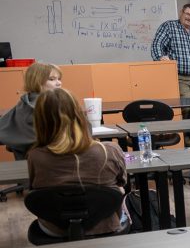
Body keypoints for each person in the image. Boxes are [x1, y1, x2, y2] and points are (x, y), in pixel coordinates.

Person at [26, 88, 128, 237]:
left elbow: (36, 189)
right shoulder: (109, 151)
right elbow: (122, 183)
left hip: (54, 228)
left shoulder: (35, 156)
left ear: (39, 121)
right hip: (105, 225)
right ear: (80, 115)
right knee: (118, 193)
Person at [0, 62, 62, 157]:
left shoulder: (24, 102)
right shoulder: (45, 105)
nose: (59, 83)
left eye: (59, 79)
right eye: (52, 79)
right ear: (37, 81)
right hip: (47, 161)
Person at [151, 3, 190, 100]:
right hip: (179, 77)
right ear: (181, 12)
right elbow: (157, 44)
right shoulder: (169, 26)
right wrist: (160, 58)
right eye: (188, 14)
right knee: (186, 106)